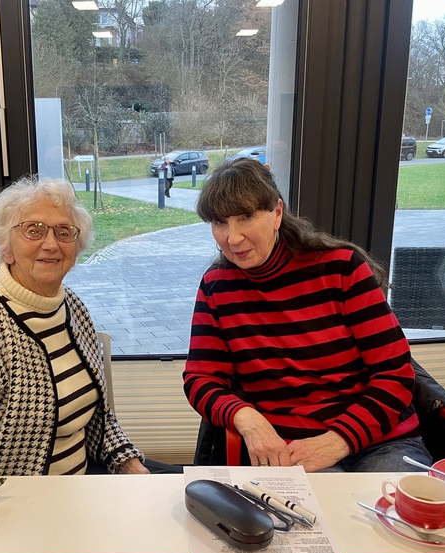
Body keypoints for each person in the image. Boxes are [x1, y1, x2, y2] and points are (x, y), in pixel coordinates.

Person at [183, 158, 431, 472]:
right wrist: (247, 418)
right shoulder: (217, 287)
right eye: (220, 222)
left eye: (246, 217)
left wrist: (340, 439)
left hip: (381, 440)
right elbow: (201, 379)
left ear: (276, 213)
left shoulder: (341, 268)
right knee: (315, 507)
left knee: (388, 505)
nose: (233, 238)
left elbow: (395, 374)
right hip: (292, 447)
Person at [0, 176, 149, 476]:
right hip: (10, 498)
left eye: (63, 232)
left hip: (82, 487)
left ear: (76, 248)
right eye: (33, 230)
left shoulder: (71, 306)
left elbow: (97, 418)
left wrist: (128, 463)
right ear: (6, 246)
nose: (51, 244)